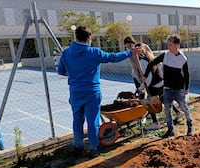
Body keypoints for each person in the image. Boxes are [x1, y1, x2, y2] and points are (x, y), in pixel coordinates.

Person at [58, 26, 141, 158]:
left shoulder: (66, 53)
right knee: (93, 120)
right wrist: (130, 52)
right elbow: (113, 57)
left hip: (75, 92)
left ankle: (78, 147)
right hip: (92, 91)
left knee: (77, 119)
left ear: (76, 37)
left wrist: (75, 74)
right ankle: (93, 148)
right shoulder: (93, 52)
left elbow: (60, 71)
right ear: (89, 38)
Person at [142, 34, 193, 138]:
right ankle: (170, 129)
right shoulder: (165, 55)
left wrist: (187, 87)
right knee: (167, 109)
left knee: (184, 107)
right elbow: (152, 63)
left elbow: (186, 74)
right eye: (168, 44)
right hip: (167, 88)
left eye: (170, 44)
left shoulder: (183, 58)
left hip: (179, 88)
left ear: (177, 45)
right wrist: (145, 75)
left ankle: (190, 125)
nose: (168, 46)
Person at [134, 42, 183, 130]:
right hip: (161, 81)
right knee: (163, 98)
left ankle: (155, 123)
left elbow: (148, 79)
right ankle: (178, 112)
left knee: (150, 102)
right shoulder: (149, 57)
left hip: (154, 84)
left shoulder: (142, 61)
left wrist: (140, 88)